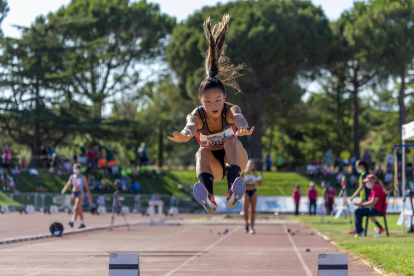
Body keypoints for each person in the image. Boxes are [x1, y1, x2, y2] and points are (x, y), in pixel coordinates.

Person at [167, 15, 253, 214]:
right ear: (200, 101)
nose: (213, 105)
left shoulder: (230, 110)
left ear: (224, 97)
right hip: (215, 167)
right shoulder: (197, 116)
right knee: (201, 152)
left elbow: (239, 117)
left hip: (236, 160)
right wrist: (185, 135)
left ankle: (233, 191)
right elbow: (189, 127)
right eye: (207, 101)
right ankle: (208, 196)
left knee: (231, 141)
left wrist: (243, 127)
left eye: (217, 100)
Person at [61, 163, 92, 229]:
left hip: (80, 193)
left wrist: (89, 195)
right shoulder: (72, 177)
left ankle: (73, 221)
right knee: (79, 208)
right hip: (74, 192)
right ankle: (83, 223)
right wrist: (64, 190)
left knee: (76, 207)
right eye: (75, 168)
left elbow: (86, 186)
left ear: (80, 170)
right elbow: (68, 184)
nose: (76, 170)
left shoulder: (83, 177)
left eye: (77, 168)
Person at [242, 160, 263, 234]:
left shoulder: (254, 174)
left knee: (253, 211)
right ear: (247, 164)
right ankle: (246, 223)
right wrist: (248, 181)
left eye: (253, 164)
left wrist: (261, 178)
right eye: (250, 163)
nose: (251, 165)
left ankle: (252, 228)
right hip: (246, 192)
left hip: (253, 191)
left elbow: (260, 184)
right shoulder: (243, 173)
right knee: (245, 211)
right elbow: (240, 184)